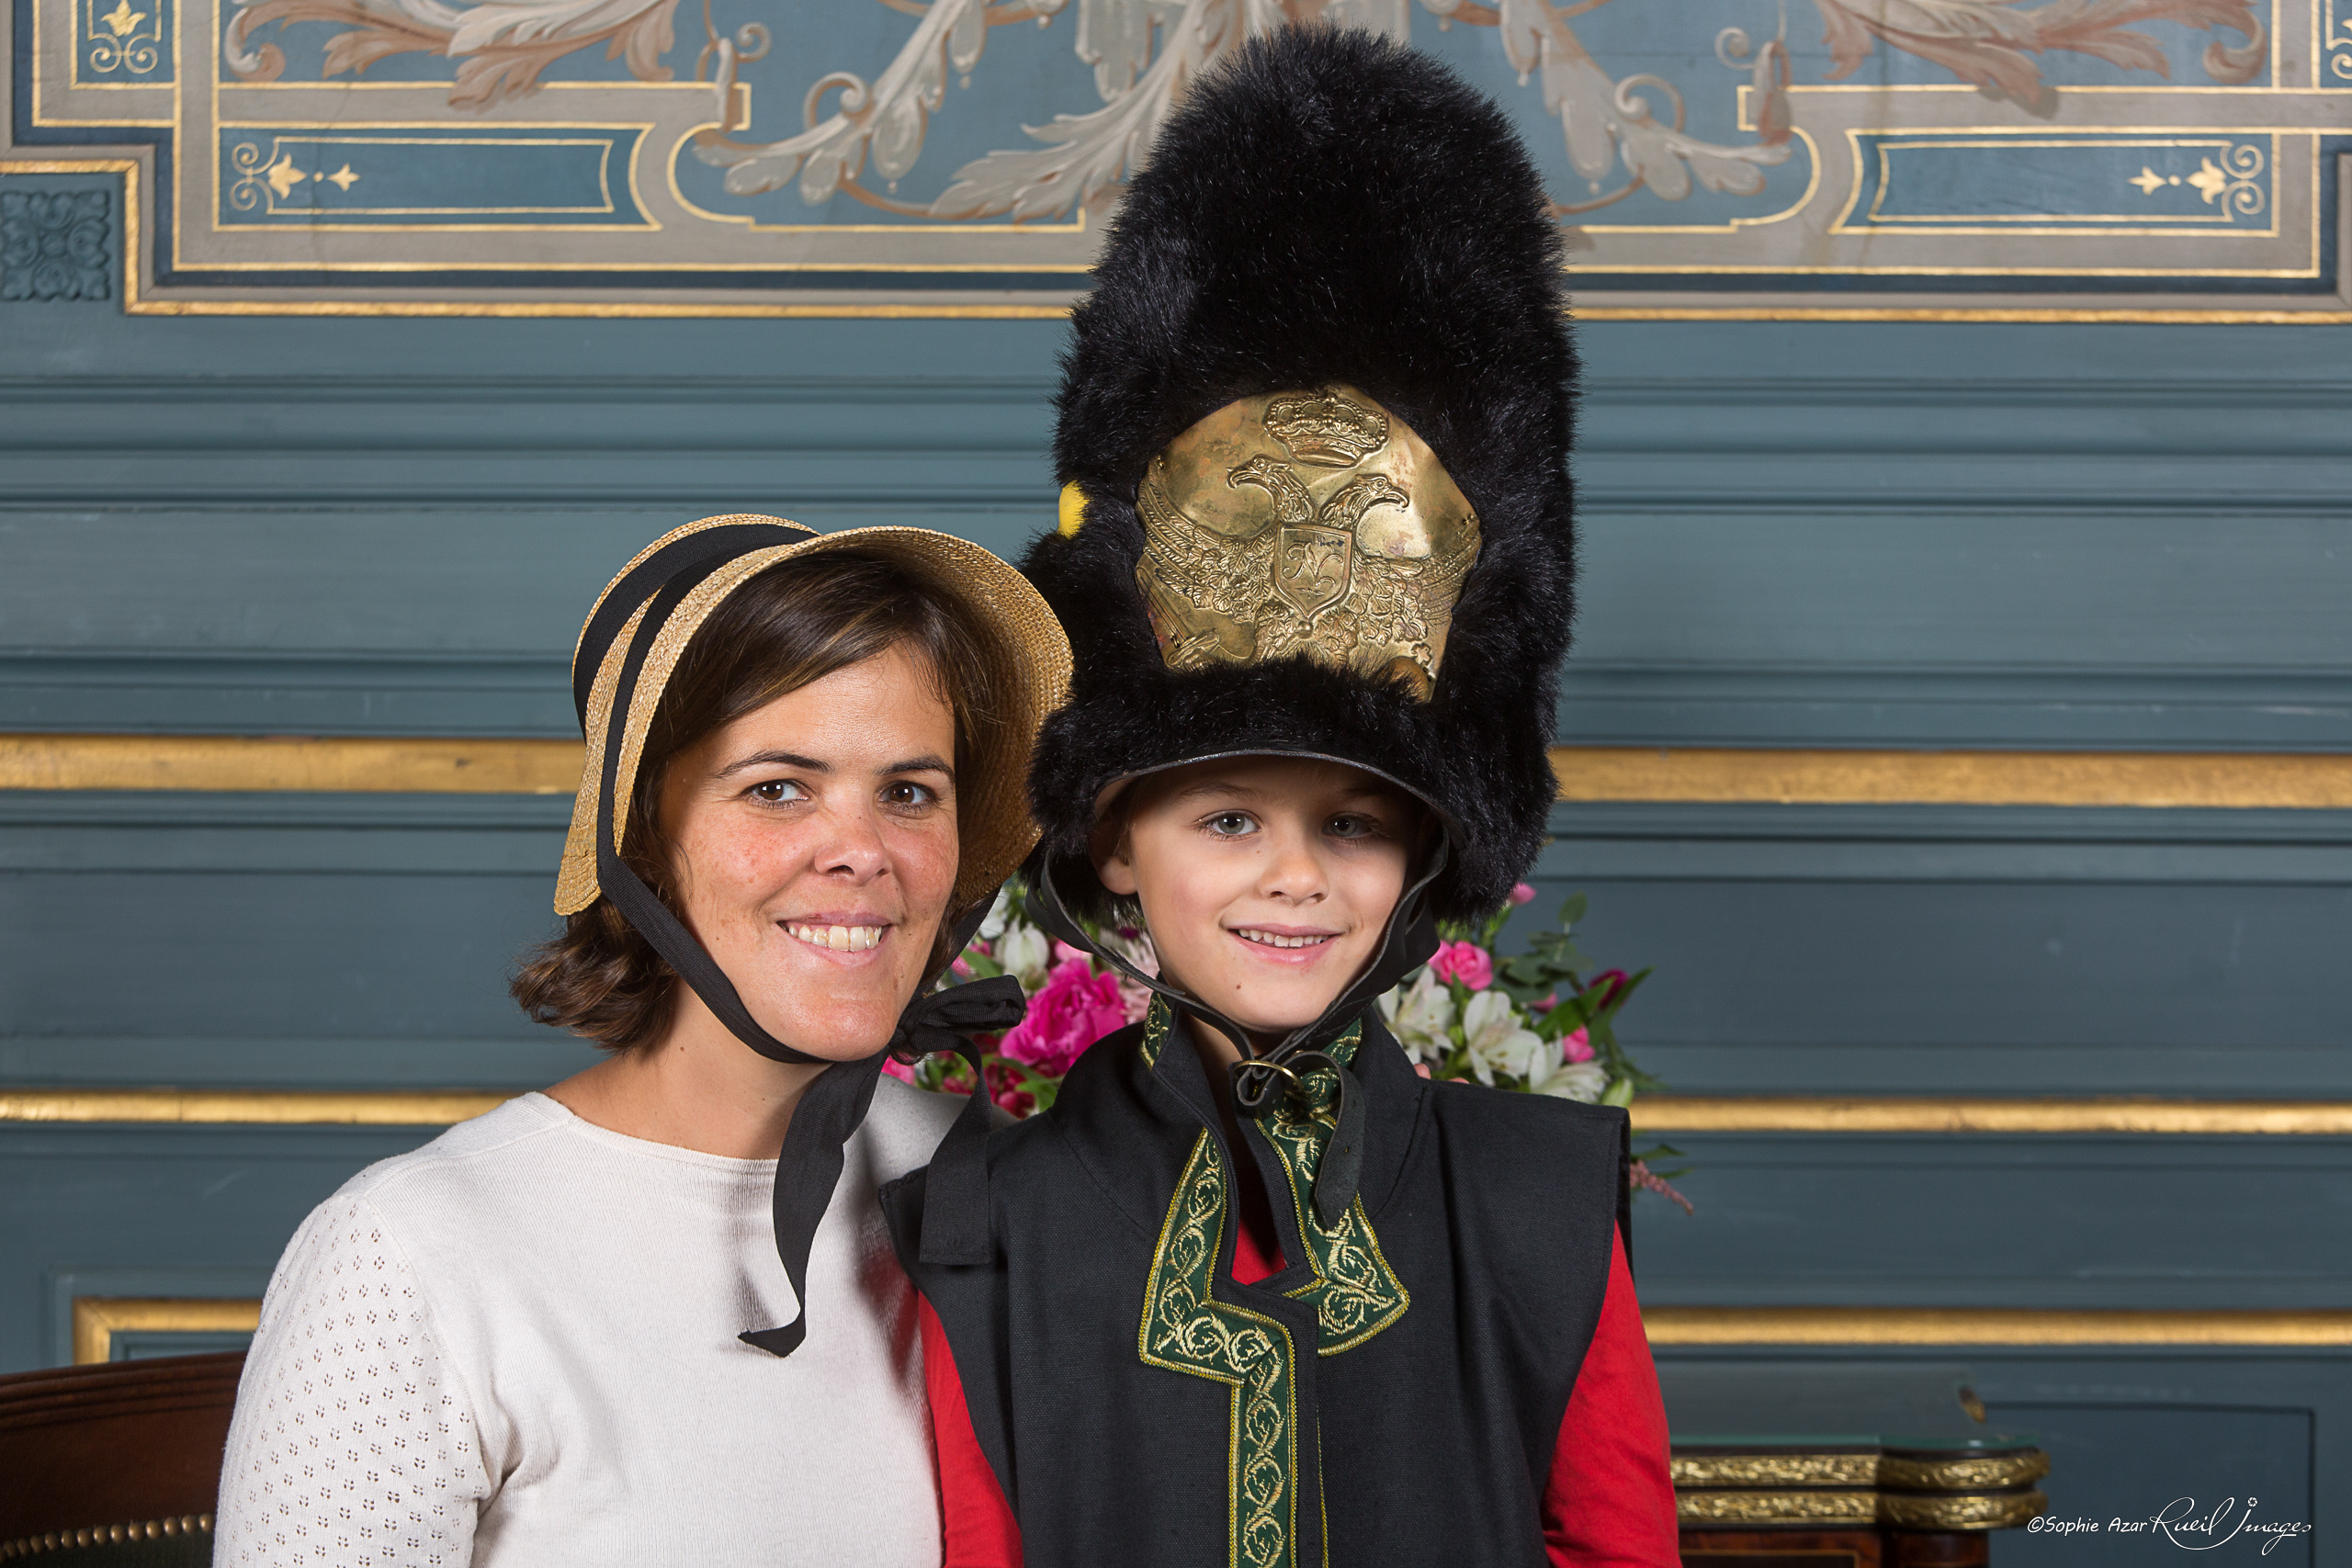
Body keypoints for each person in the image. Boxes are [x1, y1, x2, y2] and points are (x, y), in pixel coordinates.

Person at [880, 29, 1680, 1568]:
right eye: (1229, 818)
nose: (1297, 876)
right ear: (1114, 844)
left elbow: (1617, 1545)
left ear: (1426, 856)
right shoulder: (989, 1210)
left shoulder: (1539, 1196)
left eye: (1354, 823)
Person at [214, 516, 1069, 1566]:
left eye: (908, 792)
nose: (862, 851)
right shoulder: (408, 1260)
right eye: (777, 788)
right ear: (643, 839)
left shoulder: (1018, 1191)